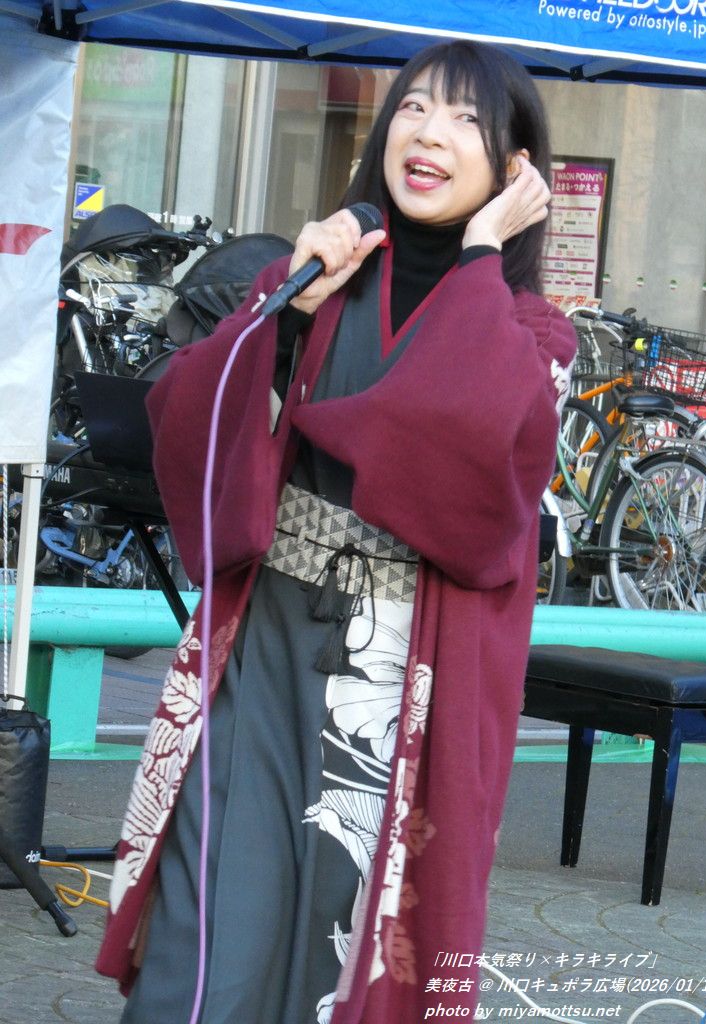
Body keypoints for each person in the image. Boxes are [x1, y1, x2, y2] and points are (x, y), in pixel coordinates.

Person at [96, 40, 577, 1024]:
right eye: (415, 108)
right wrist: (280, 316)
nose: (430, 134)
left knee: (344, 947)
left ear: (515, 169)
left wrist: (479, 256)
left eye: (467, 120)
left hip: (406, 676)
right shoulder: (318, 277)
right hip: (266, 639)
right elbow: (184, 416)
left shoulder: (531, 332)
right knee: (207, 930)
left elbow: (453, 450)